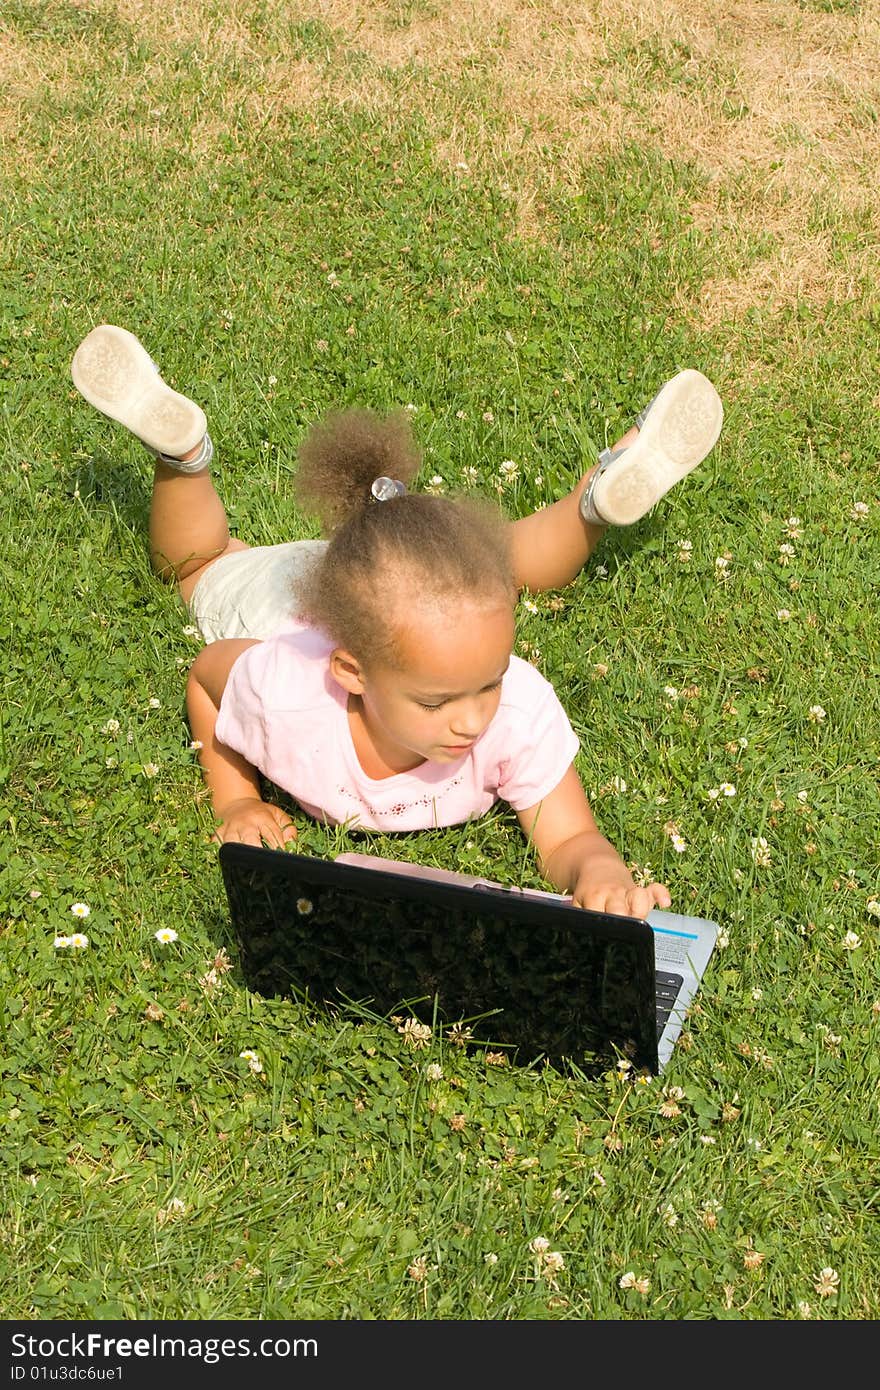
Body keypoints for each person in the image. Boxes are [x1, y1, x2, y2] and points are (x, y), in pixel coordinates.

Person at [71, 324, 723, 917]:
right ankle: (184, 457)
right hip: (278, 603)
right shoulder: (287, 690)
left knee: (488, 573)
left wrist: (602, 876)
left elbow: (572, 836)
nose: (473, 719)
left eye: (488, 681)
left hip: (413, 608)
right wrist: (236, 797)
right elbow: (208, 678)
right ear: (351, 673)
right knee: (195, 567)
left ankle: (598, 499)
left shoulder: (517, 708)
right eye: (438, 701)